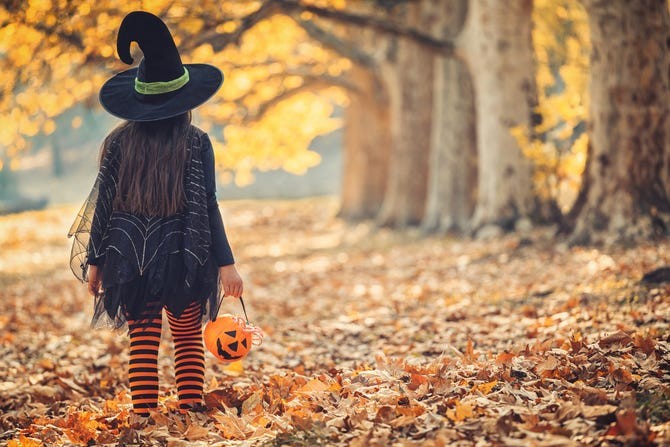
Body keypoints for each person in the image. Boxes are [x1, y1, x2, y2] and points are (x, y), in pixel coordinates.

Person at [67, 11, 243, 417]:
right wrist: (225, 265)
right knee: (186, 338)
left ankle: (143, 415)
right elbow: (208, 205)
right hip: (183, 253)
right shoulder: (196, 141)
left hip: (127, 254)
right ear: (186, 101)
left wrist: (96, 261)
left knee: (143, 341)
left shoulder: (118, 142)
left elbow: (104, 207)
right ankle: (190, 409)